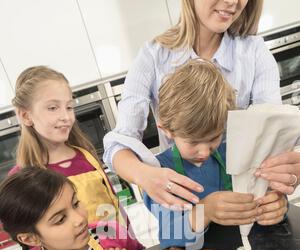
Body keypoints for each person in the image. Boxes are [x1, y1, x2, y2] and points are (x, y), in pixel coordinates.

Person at [103, 0, 300, 206]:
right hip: (187, 206)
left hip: (249, 201)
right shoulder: (153, 57)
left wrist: (286, 178)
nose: (233, 1)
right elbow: (118, 142)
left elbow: (273, 138)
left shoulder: (254, 52)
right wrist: (144, 174)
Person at [143, 59, 287, 247]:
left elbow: (265, 194)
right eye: (193, 141)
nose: (204, 151)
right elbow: (170, 237)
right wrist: (206, 210)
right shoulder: (158, 173)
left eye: (213, 138)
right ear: (167, 130)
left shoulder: (234, 153)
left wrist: (276, 206)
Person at [10, 66, 126, 226]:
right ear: (26, 116)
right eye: (52, 108)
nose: (66, 116)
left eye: (69, 107)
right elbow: (32, 241)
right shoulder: (22, 179)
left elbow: (108, 210)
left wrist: (115, 245)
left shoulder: (86, 157)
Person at [0, 168, 143, 250]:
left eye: (75, 204)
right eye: (60, 220)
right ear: (31, 239)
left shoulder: (112, 232)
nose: (80, 218)